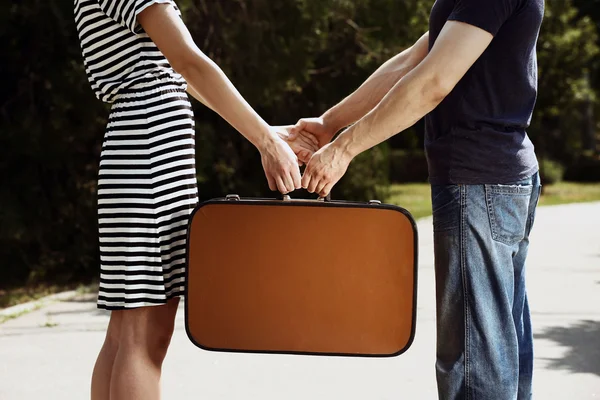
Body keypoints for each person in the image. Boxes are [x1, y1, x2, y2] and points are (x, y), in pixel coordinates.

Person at [291, 1, 544, 399]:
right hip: (491, 182)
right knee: (499, 347)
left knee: (476, 364)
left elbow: (432, 82)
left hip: (479, 185)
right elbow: (414, 59)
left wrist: (344, 149)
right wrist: (330, 124)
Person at [73, 1, 317, 399]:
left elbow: (177, 73)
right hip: (149, 156)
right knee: (142, 337)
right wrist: (265, 141)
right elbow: (189, 62)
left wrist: (264, 130)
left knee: (125, 333)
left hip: (140, 154)